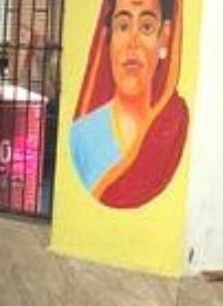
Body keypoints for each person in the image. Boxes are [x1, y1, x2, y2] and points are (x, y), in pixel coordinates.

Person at [69, 0, 187, 207]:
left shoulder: (174, 127)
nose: (133, 43)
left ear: (165, 36)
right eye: (123, 27)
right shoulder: (81, 137)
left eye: (147, 27)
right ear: (109, 37)